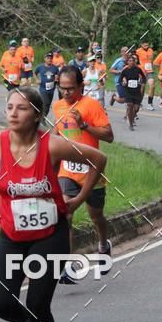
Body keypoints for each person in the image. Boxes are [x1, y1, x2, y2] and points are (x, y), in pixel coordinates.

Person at [0, 85, 106, 322]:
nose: (13, 113)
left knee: (38, 302)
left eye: (22, 108)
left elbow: (98, 160)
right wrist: (0, 199)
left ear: (37, 115)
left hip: (50, 236)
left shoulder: (52, 146)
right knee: (1, 303)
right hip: (12, 236)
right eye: (10, 107)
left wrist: (77, 201)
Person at [52, 65, 114, 283]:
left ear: (81, 86)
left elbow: (109, 136)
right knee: (66, 216)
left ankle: (104, 244)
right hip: (67, 171)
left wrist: (84, 126)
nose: (66, 93)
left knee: (96, 216)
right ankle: (67, 266)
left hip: (91, 171)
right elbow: (57, 134)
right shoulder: (58, 106)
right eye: (62, 88)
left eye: (70, 89)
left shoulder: (91, 105)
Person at [120, 54, 146, 130]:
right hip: (128, 90)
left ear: (134, 62)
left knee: (136, 108)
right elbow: (121, 79)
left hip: (136, 91)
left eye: (132, 61)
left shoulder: (138, 69)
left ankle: (131, 117)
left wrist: (141, 82)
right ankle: (130, 124)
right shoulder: (125, 70)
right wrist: (123, 82)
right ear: (127, 62)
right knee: (130, 105)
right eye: (130, 61)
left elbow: (144, 78)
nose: (131, 62)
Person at [34, 51, 60, 117]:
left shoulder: (55, 67)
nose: (49, 59)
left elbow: (57, 75)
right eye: (48, 58)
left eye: (51, 58)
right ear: (45, 59)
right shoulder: (40, 67)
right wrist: (37, 79)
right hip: (43, 89)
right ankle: (41, 117)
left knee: (48, 105)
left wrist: (56, 79)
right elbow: (34, 73)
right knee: (46, 102)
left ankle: (43, 117)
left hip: (51, 89)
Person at [135, 42, 155, 110]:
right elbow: (135, 61)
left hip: (149, 71)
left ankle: (150, 103)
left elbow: (151, 60)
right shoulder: (138, 51)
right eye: (145, 45)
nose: (146, 46)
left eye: (147, 45)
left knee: (152, 85)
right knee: (142, 89)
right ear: (141, 45)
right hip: (141, 72)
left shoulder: (151, 50)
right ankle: (139, 103)